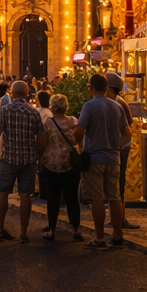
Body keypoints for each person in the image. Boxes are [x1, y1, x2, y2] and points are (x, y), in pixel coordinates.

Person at [75, 73, 131, 249]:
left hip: (94, 158)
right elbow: (127, 132)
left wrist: (78, 144)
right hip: (113, 158)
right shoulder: (117, 107)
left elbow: (79, 132)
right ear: (106, 87)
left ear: (90, 87)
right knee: (115, 197)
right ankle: (117, 235)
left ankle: (99, 238)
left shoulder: (89, 106)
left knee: (96, 198)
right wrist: (118, 147)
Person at [0, 81, 42, 242]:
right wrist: (39, 156)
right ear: (27, 94)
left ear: (12, 93)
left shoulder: (6, 110)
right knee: (25, 194)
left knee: (2, 193)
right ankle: (23, 232)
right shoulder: (33, 113)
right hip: (28, 159)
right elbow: (41, 138)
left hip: (8, 158)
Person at [38, 93, 83, 242]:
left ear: (52, 106)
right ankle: (76, 229)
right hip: (70, 165)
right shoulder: (73, 121)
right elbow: (78, 140)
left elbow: (43, 143)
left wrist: (40, 158)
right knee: (72, 198)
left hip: (52, 164)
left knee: (53, 198)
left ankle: (51, 229)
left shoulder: (48, 123)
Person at [105, 72, 140, 231]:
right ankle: (117, 218)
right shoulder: (117, 102)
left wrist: (119, 146)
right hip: (117, 147)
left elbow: (127, 128)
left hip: (120, 148)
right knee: (114, 185)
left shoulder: (118, 103)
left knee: (118, 185)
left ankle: (120, 219)